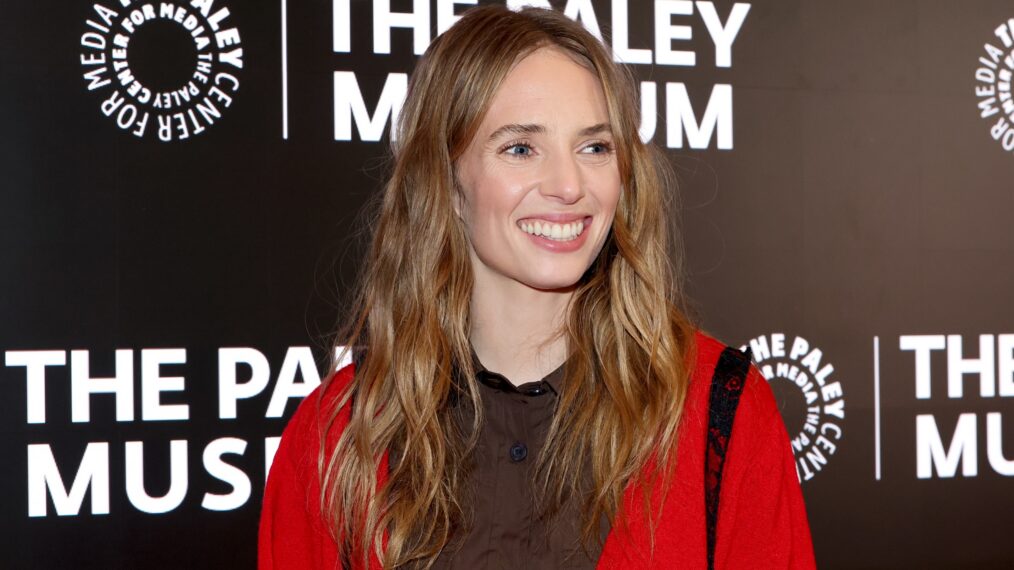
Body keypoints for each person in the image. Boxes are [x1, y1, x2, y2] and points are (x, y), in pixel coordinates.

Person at [259, 5, 816, 570]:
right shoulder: (337, 439)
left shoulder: (721, 413)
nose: (569, 185)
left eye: (594, 147)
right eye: (521, 148)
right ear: (447, 181)